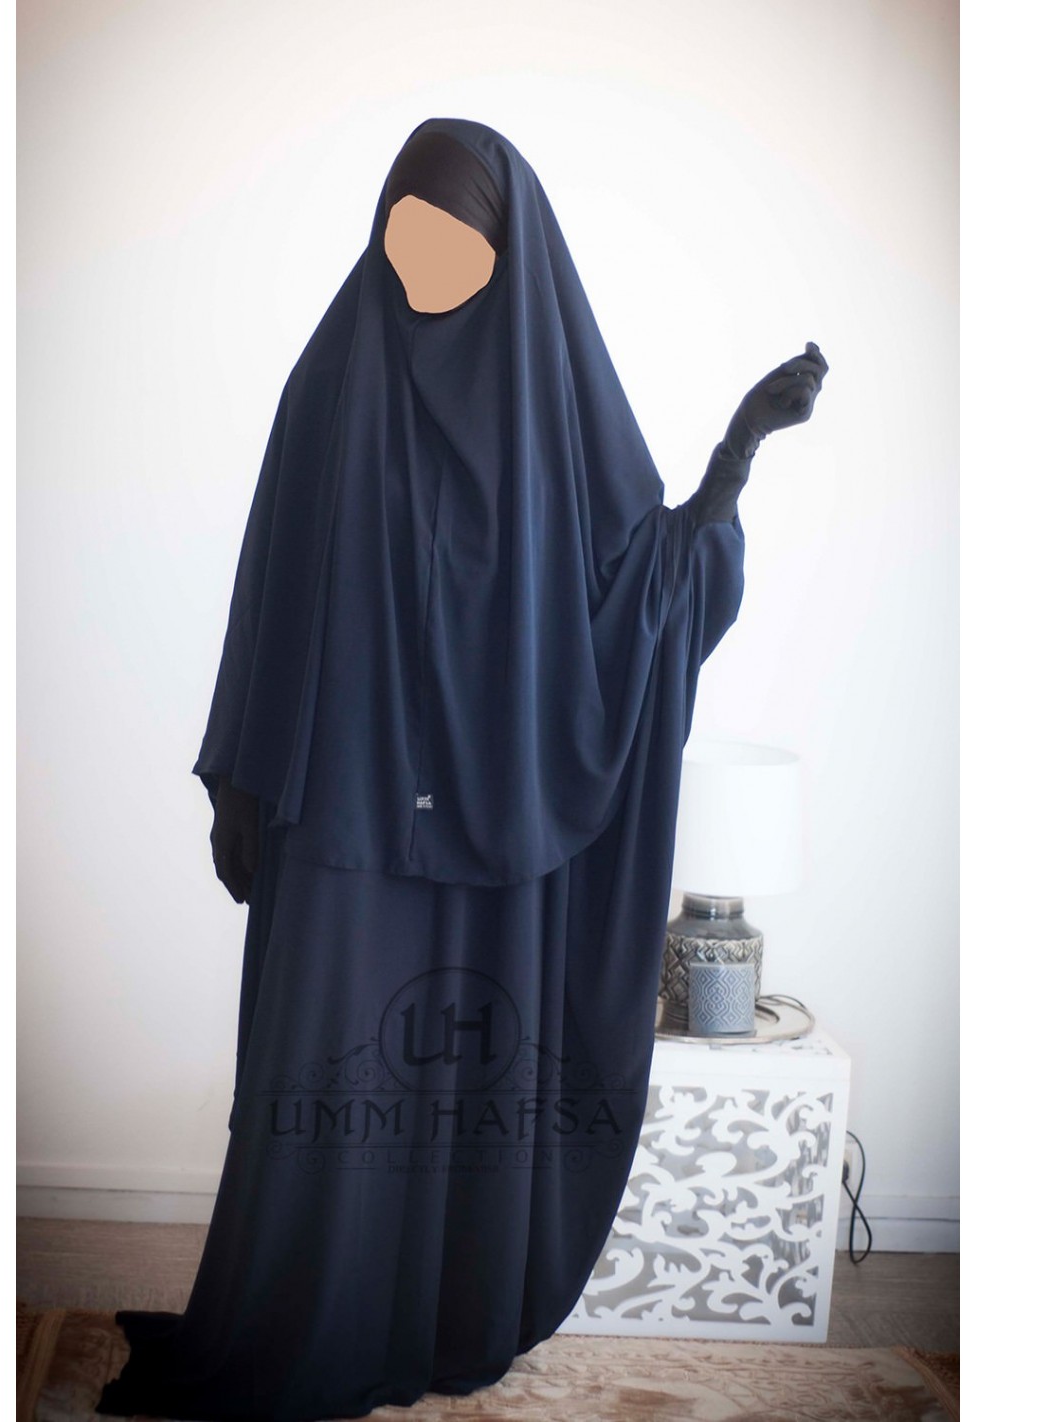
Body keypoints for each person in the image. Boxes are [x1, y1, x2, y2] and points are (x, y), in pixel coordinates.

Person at [97, 115, 827, 1422]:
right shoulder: (333, 385)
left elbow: (642, 593)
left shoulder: (562, 414)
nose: (423, 263)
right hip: (347, 819)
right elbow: (271, 597)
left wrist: (736, 455)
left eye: (456, 242)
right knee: (329, 1087)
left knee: (472, 1077)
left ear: (515, 252)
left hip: (507, 827)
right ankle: (300, 1324)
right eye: (404, 236)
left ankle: (444, 1317)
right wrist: (247, 782)